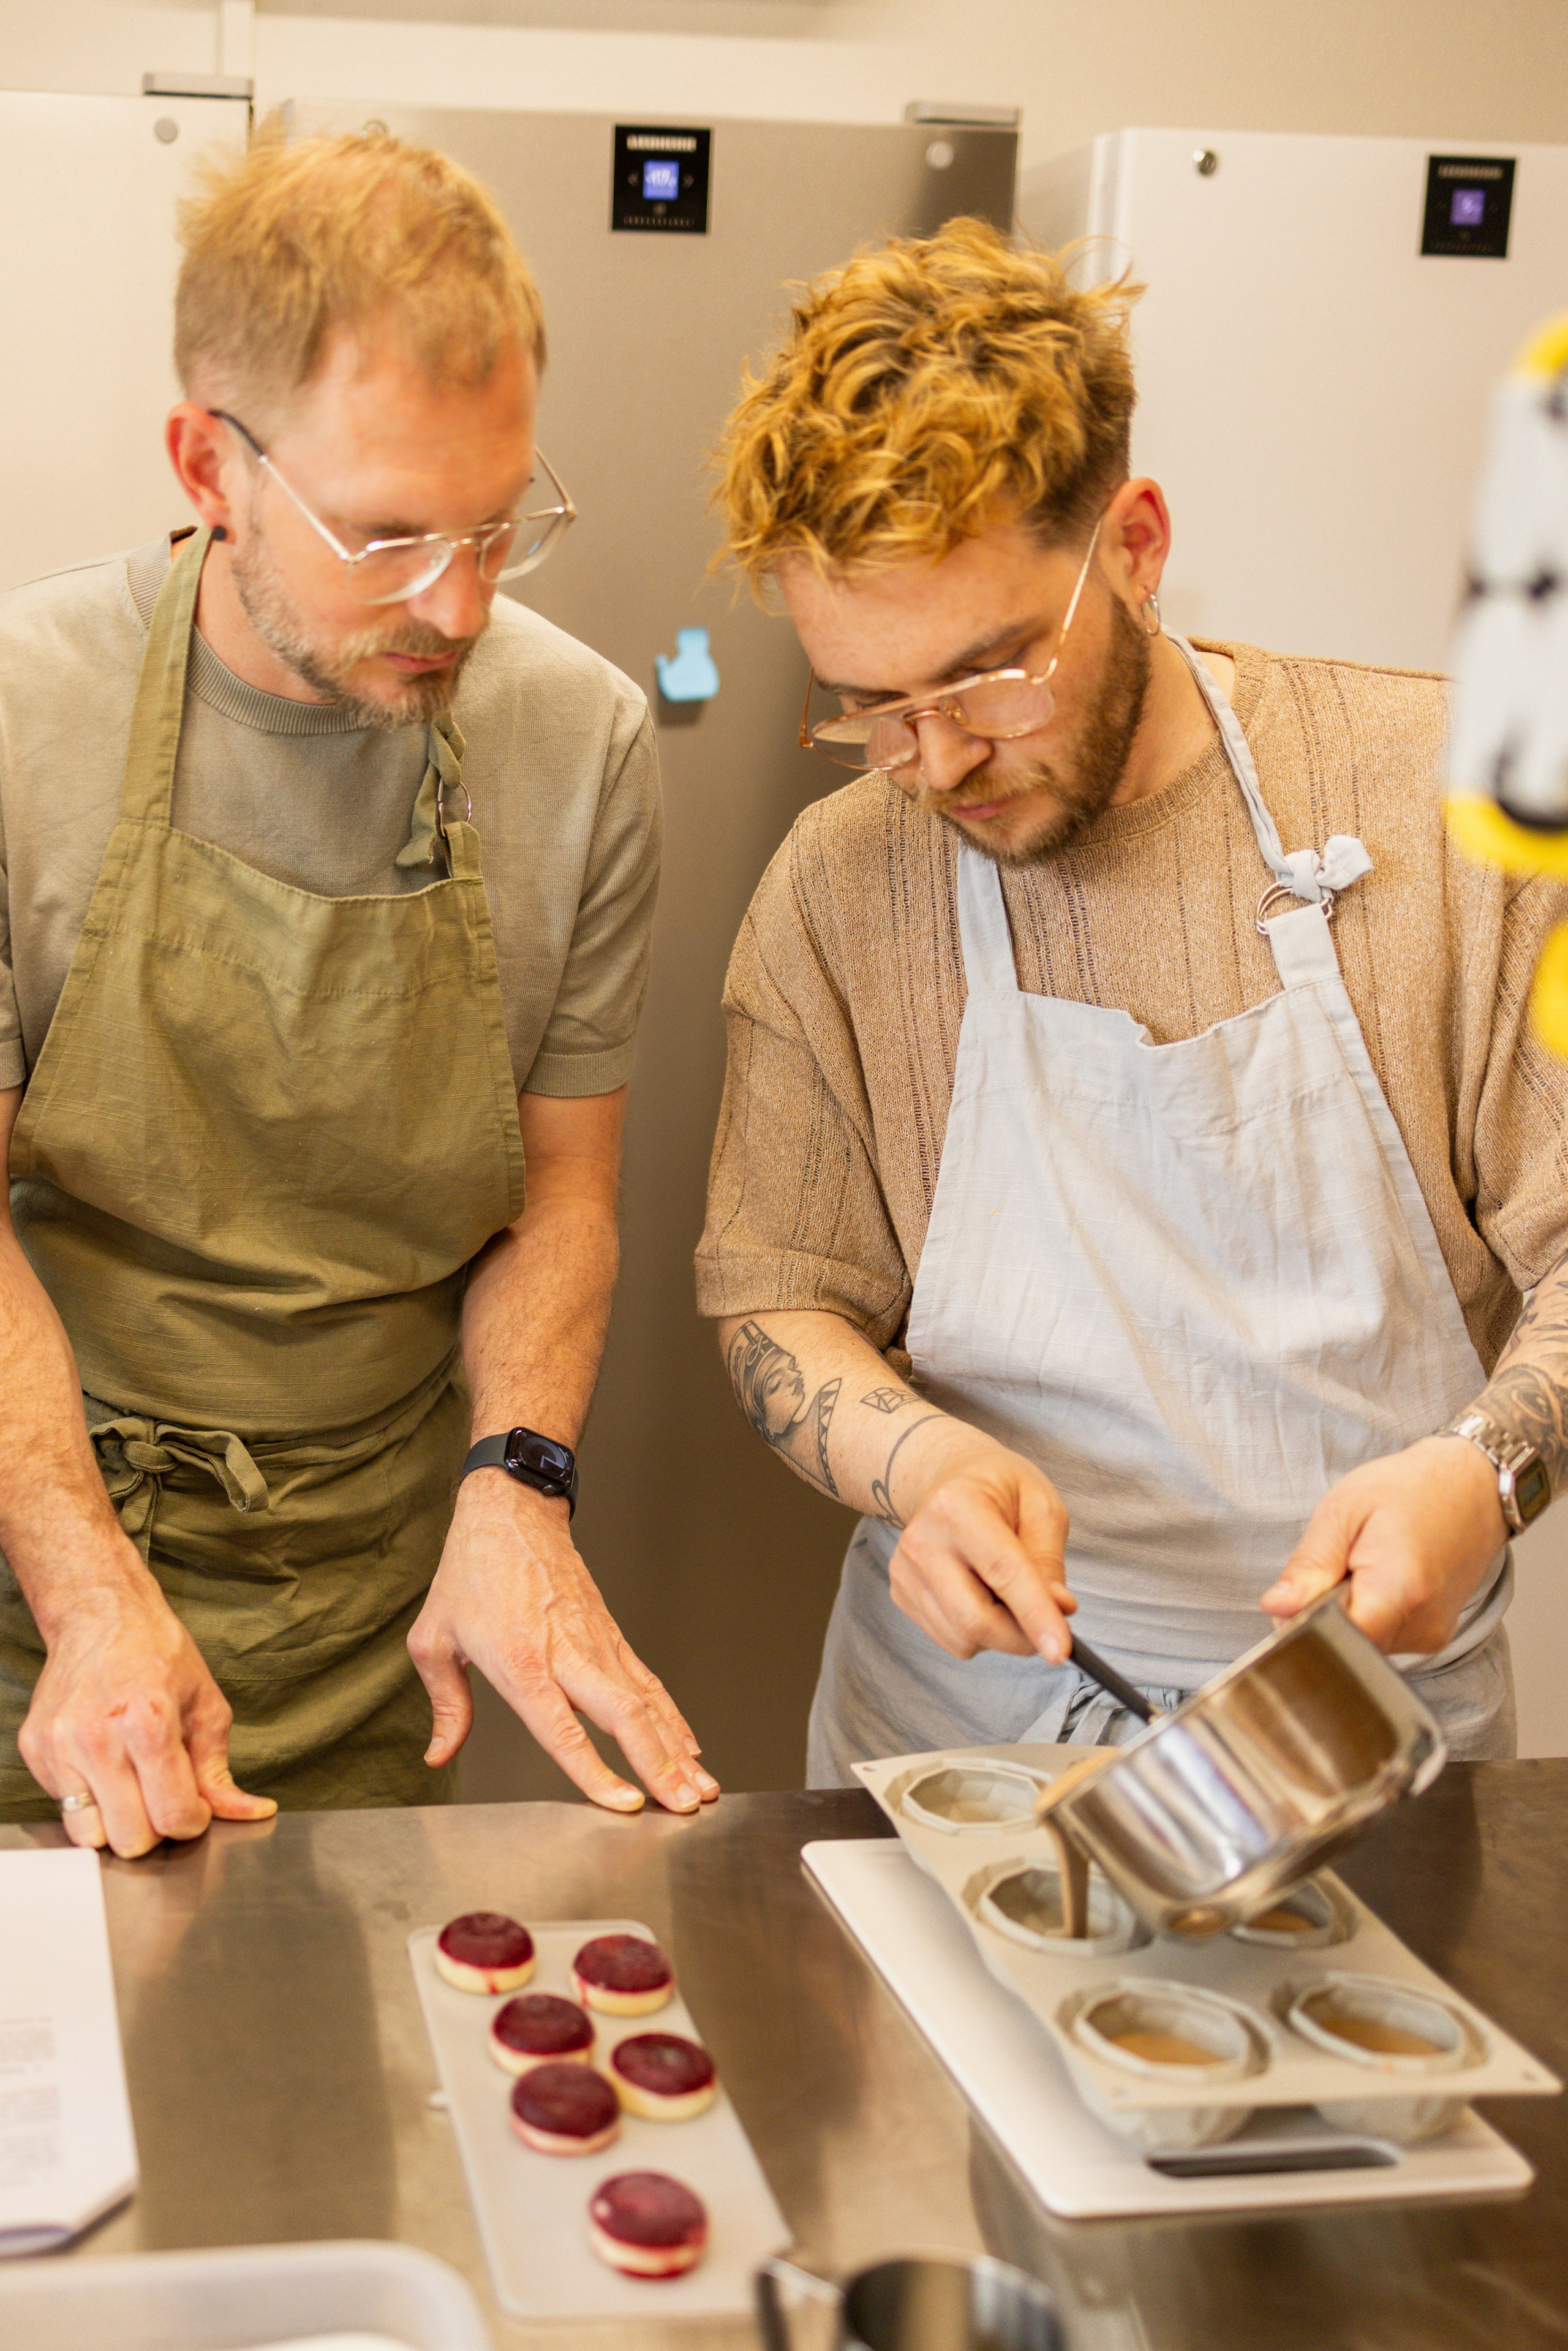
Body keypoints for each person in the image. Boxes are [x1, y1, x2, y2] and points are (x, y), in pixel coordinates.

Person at [696, 219, 1568, 1781]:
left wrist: (1482, 1468)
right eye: (871, 707)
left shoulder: (1444, 820)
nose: (937, 761)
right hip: (955, 1735)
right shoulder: (840, 887)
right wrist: (918, 1460)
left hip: (1366, 1731)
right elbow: (779, 1295)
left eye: (983, 679)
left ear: (1137, 543)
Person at [0, 129, 718, 1853]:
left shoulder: (583, 739)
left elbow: (560, 1195)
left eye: (499, 525)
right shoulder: (25, 715)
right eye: (389, 537)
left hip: (381, 1592)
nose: (457, 603)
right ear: (209, 464)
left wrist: (520, 1485)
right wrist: (88, 1580)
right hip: (39, 1553)